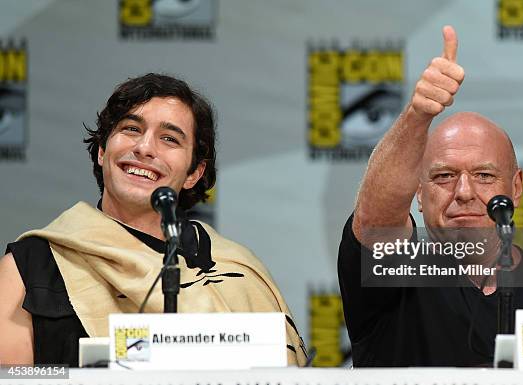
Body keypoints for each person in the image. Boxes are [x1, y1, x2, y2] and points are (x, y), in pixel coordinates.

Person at [338, 26, 523, 367]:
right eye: (444, 176)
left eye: (484, 176)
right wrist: (418, 114)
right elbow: (375, 222)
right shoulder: (395, 281)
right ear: (418, 195)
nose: (464, 193)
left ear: (515, 188)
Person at [0, 73, 307, 367]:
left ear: (193, 173)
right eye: (131, 129)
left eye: (170, 139)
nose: (144, 148)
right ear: (102, 151)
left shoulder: (236, 270)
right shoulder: (30, 265)